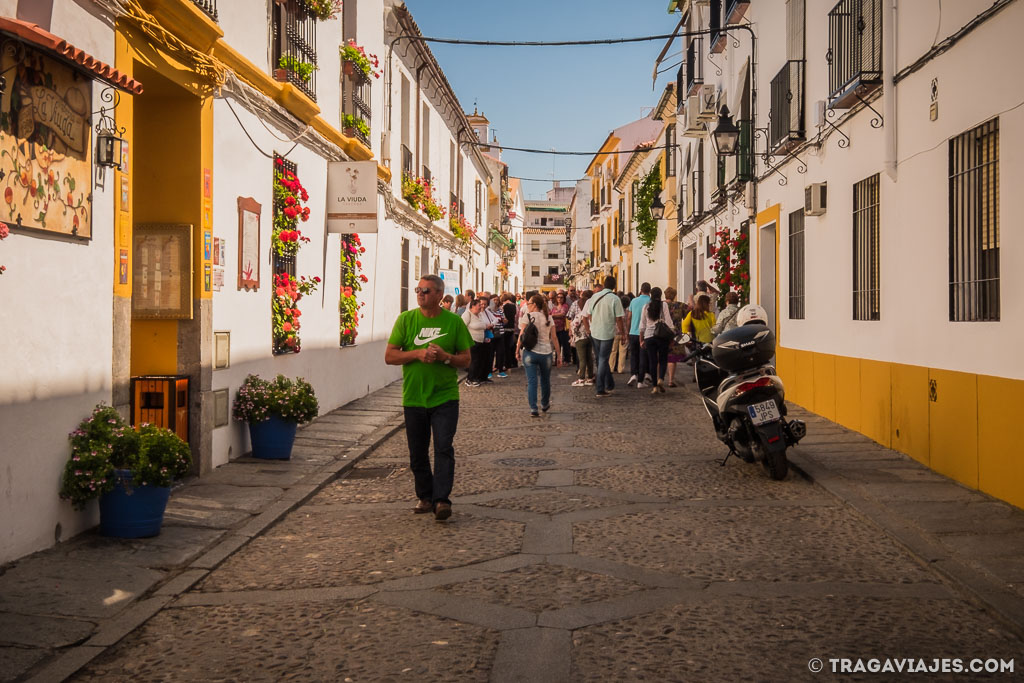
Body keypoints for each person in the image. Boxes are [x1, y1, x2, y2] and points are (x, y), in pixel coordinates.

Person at [385, 275, 473, 521]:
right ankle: (425, 495)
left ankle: (441, 500)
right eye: (418, 289)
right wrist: (417, 354)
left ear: (438, 295)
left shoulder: (454, 323)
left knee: (443, 448)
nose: (420, 293)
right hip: (414, 397)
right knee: (418, 453)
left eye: (426, 290)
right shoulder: (406, 320)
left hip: (445, 397)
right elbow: (390, 356)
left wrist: (445, 356)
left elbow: (466, 360)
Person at [517, 294, 560, 417]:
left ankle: (533, 408)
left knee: (532, 381)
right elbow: (554, 338)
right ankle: (545, 404)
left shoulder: (528, 316)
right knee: (545, 380)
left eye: (529, 303)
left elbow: (521, 335)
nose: (527, 305)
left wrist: (517, 350)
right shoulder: (548, 318)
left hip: (530, 352)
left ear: (534, 304)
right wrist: (559, 355)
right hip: (546, 353)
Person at [584, 276, 626, 397]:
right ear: (614, 286)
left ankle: (609, 383)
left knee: (601, 359)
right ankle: (600, 388)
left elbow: (589, 314)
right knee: (603, 359)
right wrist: (623, 333)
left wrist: (594, 325)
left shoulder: (594, 297)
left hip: (595, 332)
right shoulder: (615, 299)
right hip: (607, 332)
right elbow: (618, 319)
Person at [637, 286, 673, 394]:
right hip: (662, 336)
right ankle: (661, 378)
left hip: (649, 336)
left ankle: (654, 387)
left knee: (652, 361)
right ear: (660, 295)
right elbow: (669, 322)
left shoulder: (646, 306)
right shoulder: (664, 305)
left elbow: (642, 325)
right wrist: (672, 337)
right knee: (662, 360)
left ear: (651, 295)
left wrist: (641, 340)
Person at [627, 283, 652, 388]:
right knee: (643, 357)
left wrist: (628, 331)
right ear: (649, 291)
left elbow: (629, 317)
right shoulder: (650, 302)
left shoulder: (634, 301)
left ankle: (633, 374)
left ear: (641, 290)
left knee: (634, 355)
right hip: (645, 333)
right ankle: (641, 381)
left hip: (633, 332)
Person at [664, 286, 690, 388]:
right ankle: (670, 380)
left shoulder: (661, 305)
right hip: (675, 334)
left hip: (662, 333)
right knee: (672, 359)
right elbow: (689, 314)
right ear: (675, 295)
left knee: (659, 358)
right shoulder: (680, 306)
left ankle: (658, 379)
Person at [461, 298, 489, 386]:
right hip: (472, 340)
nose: (480, 307)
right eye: (479, 305)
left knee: (479, 360)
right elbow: (462, 327)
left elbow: (482, 324)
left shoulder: (479, 315)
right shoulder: (467, 314)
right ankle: (470, 379)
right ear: (472, 306)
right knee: (474, 360)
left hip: (480, 340)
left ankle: (477, 377)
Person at [570, 289, 594, 386]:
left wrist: (573, 334)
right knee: (589, 358)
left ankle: (581, 378)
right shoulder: (590, 314)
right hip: (589, 337)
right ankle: (590, 377)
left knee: (582, 359)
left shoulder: (579, 315)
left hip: (580, 338)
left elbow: (575, 325)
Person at [610, 294, 630, 374]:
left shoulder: (616, 310)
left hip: (614, 332)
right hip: (624, 333)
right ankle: (620, 368)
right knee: (623, 352)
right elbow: (629, 322)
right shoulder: (628, 312)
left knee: (613, 351)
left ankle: (611, 367)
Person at [550, 292, 571, 365]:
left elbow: (563, 314)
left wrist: (553, 316)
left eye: (561, 297)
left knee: (565, 345)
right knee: (557, 344)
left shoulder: (565, 306)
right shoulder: (554, 307)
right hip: (555, 328)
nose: (559, 299)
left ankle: (566, 360)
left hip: (563, 328)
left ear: (564, 298)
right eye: (558, 297)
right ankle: (557, 359)